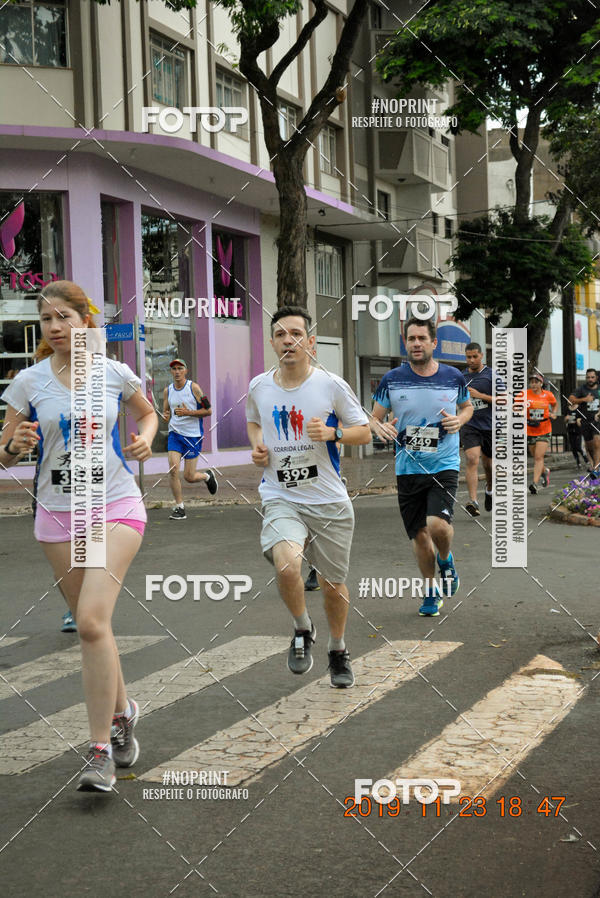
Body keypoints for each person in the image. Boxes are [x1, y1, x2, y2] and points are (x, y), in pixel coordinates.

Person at [0, 280, 158, 793]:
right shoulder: (29, 381)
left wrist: (144, 441)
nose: (56, 327)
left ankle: (98, 753)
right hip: (57, 515)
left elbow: (148, 413)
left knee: (90, 619)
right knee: (97, 631)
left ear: (86, 320)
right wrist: (14, 446)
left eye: (65, 317)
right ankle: (122, 713)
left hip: (114, 504)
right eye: (47, 319)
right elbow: (4, 451)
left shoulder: (112, 372)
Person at [246, 305, 371, 687]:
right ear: (272, 342)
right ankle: (302, 628)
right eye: (281, 334)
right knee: (287, 565)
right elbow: (254, 421)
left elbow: (364, 431)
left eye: (296, 334)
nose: (289, 340)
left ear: (310, 342)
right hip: (280, 494)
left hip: (328, 498)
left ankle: (337, 648)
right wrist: (257, 448)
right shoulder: (259, 386)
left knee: (333, 583)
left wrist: (333, 435)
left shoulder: (330, 384)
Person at [370, 317, 473, 617]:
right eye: (411, 339)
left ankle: (446, 558)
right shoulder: (392, 379)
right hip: (407, 468)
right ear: (406, 343)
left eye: (422, 339)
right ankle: (431, 592)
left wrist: (460, 419)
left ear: (433, 343)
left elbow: (466, 407)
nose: (416, 343)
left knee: (437, 525)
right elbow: (373, 417)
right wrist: (378, 428)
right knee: (419, 535)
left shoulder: (454, 377)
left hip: (443, 464)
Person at [163, 359, 217, 520]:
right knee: (173, 470)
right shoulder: (168, 391)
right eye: (174, 369)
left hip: (193, 436)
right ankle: (179, 507)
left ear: (186, 371)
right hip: (175, 434)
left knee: (189, 476)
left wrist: (188, 413)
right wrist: (166, 416)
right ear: (171, 372)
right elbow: (167, 411)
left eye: (180, 368)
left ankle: (207, 476)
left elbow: (208, 410)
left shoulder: (194, 388)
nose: (177, 372)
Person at [460, 342, 496, 516]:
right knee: (472, 459)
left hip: (490, 426)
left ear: (482, 355)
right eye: (468, 357)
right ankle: (473, 501)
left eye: (475, 356)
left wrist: (480, 396)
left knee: (489, 464)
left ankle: (489, 490)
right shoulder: (461, 377)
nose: (472, 360)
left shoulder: (492, 376)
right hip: (470, 425)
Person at [520, 373, 557, 493]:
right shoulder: (524, 394)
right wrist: (520, 410)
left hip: (544, 428)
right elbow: (516, 405)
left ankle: (534, 484)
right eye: (532, 382)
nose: (534, 384)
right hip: (530, 428)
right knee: (534, 454)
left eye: (536, 382)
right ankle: (544, 471)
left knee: (538, 457)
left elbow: (554, 404)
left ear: (541, 383)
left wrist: (553, 413)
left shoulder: (548, 395)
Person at [569, 368, 600, 474]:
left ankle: (596, 469)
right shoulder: (581, 389)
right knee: (590, 447)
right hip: (586, 421)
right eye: (588, 377)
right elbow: (571, 399)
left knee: (597, 443)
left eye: (592, 377)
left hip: (598, 420)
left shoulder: (599, 389)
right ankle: (595, 465)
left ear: (596, 378)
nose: (590, 379)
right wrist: (584, 399)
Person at [565, 403, 588, 470]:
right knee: (573, 448)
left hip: (578, 430)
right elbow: (565, 420)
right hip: (570, 430)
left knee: (578, 446)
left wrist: (579, 420)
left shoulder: (579, 408)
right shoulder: (567, 408)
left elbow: (583, 418)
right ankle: (578, 463)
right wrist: (566, 418)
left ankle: (586, 459)